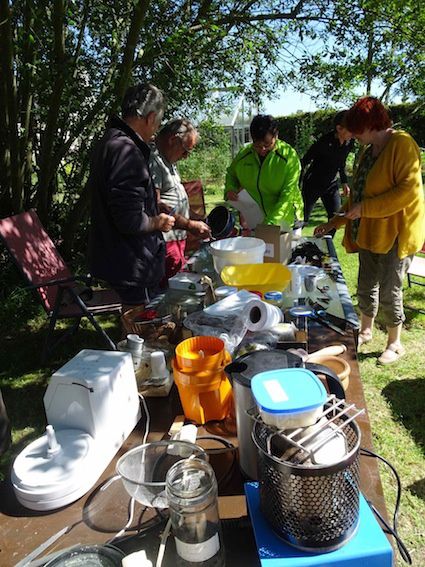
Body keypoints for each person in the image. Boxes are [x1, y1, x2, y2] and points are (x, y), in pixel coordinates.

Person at [314, 96, 425, 364]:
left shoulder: (402, 144)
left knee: (390, 290)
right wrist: (334, 222)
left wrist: (365, 209)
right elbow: (357, 198)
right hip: (370, 233)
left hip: (396, 235)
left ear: (371, 125)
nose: (353, 136)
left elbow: (407, 192)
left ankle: (394, 342)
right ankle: (366, 330)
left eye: (357, 130)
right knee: (365, 285)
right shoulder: (367, 151)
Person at [87, 83, 175, 307]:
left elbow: (118, 199)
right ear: (150, 117)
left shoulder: (109, 141)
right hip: (133, 263)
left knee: (131, 334)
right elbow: (129, 219)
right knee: (140, 334)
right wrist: (158, 221)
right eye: (157, 123)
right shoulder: (127, 151)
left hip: (115, 258)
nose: (156, 130)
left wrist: (152, 204)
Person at [149, 119, 211, 280]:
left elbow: (174, 198)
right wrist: (189, 225)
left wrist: (194, 218)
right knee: (166, 290)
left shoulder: (168, 161)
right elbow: (155, 206)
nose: (185, 157)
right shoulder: (154, 161)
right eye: (185, 151)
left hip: (176, 240)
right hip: (164, 242)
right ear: (172, 140)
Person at [224, 114, 303, 229]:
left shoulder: (289, 156)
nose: (262, 150)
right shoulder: (244, 155)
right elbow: (231, 174)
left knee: (285, 247)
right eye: (257, 145)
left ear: (276, 136)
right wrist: (230, 188)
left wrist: (271, 222)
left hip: (286, 220)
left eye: (267, 144)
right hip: (256, 220)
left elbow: (288, 194)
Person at [301, 111, 354, 233]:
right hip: (313, 184)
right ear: (339, 128)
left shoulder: (349, 142)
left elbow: (341, 162)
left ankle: (322, 246)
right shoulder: (324, 142)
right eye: (350, 129)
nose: (354, 133)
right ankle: (290, 245)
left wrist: (344, 182)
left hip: (331, 185)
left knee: (335, 219)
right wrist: (297, 184)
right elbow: (304, 161)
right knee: (302, 219)